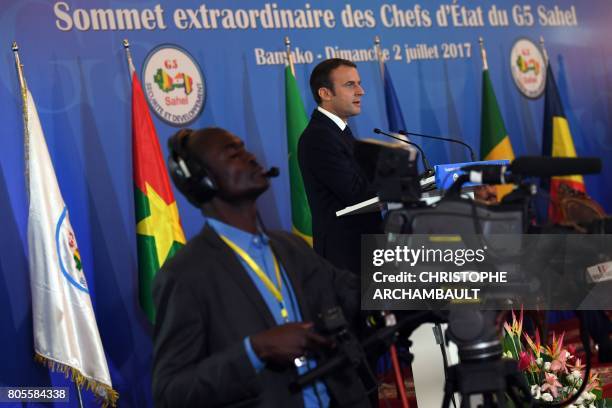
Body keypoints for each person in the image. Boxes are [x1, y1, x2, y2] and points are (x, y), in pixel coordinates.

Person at [152, 127, 371, 407]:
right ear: (203, 181)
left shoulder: (292, 247)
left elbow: (357, 293)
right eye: (234, 154)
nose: (252, 158)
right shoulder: (185, 275)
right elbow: (170, 392)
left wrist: (435, 261)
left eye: (245, 150)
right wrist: (255, 351)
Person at [298, 58, 382, 275]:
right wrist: (397, 184)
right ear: (325, 93)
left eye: (359, 83)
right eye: (350, 85)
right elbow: (355, 194)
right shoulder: (319, 137)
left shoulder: (337, 131)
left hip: (361, 251)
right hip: (346, 258)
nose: (361, 91)